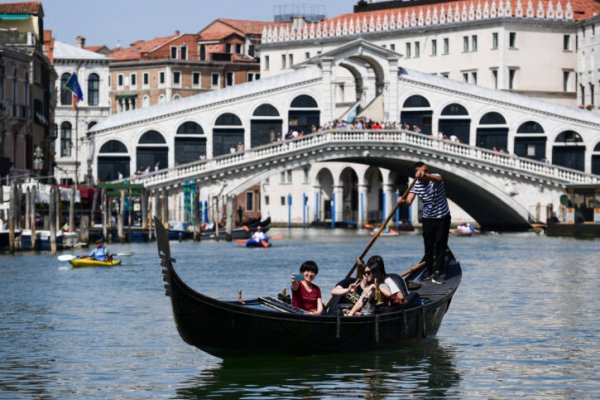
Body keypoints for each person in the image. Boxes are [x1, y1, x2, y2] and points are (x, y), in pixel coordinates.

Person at [398, 161, 451, 284]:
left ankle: (438, 272)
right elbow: (409, 201)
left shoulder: (435, 178)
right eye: (423, 171)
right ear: (416, 172)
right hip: (428, 218)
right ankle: (428, 269)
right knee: (428, 245)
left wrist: (425, 175)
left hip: (443, 217)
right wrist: (402, 201)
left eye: (427, 170)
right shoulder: (416, 185)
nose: (426, 173)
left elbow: (438, 179)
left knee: (440, 244)